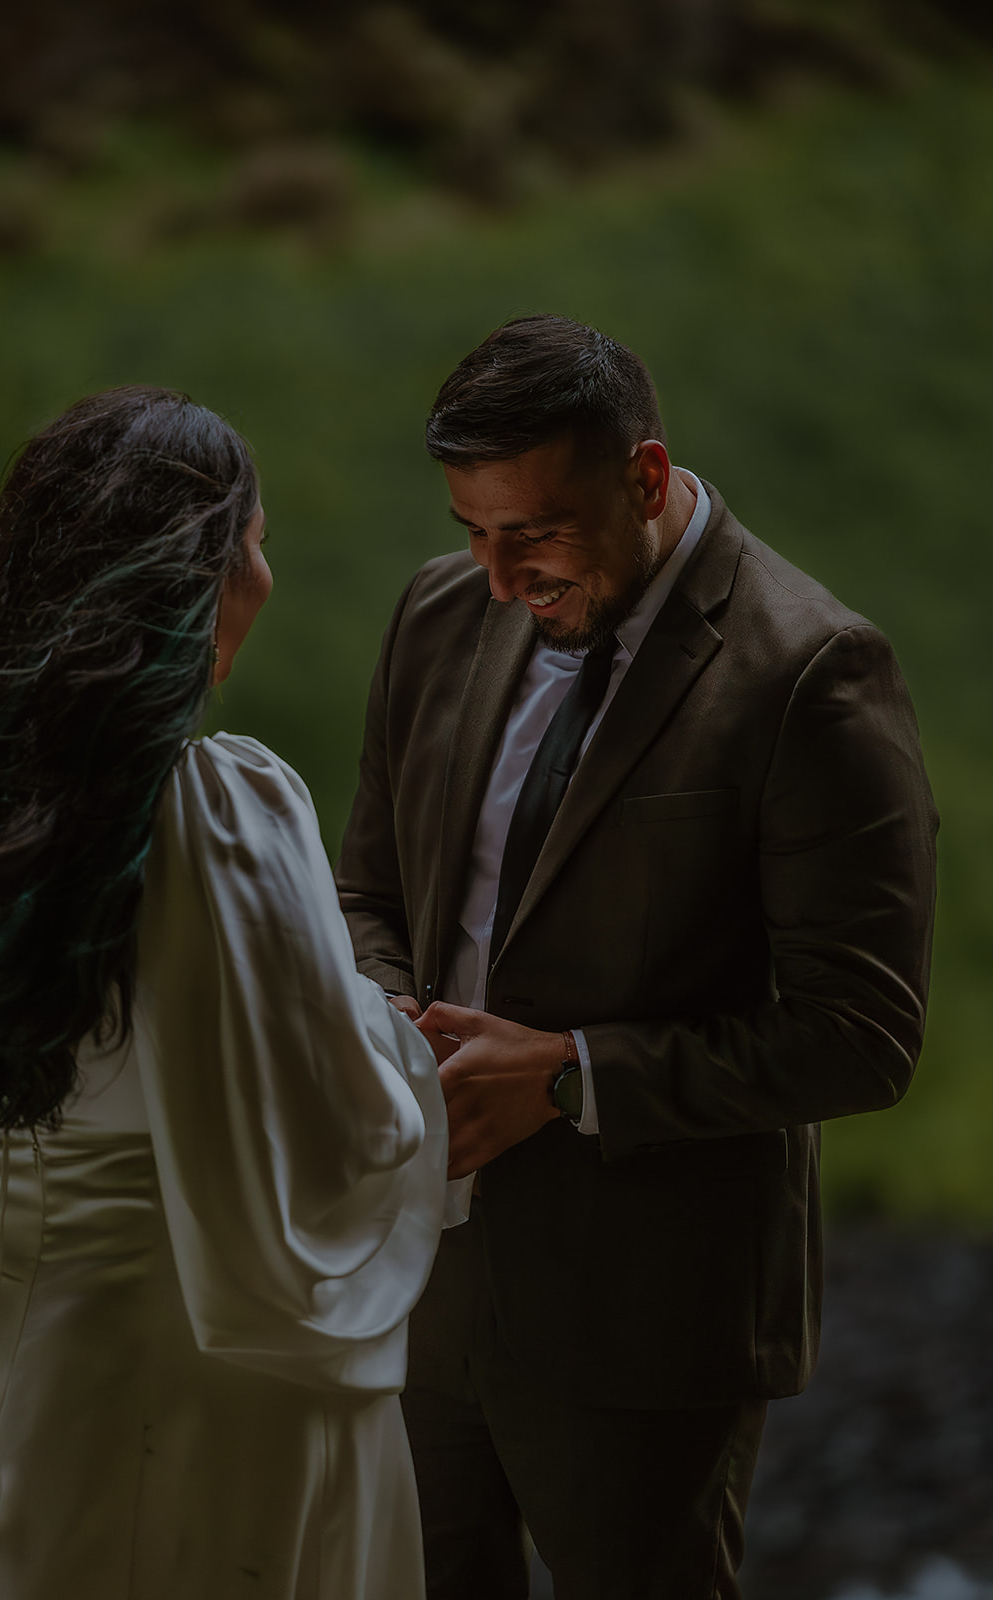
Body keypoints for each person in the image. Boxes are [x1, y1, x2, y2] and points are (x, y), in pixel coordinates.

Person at [336, 314, 938, 1599]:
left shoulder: (813, 672)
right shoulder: (439, 613)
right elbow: (369, 888)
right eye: (472, 532)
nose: (498, 577)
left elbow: (860, 1032)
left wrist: (568, 1074)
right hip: (417, 1275)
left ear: (646, 478)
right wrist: (385, 1008)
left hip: (647, 1313)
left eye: (533, 534)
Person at [0, 386, 447, 1600]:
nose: (263, 580)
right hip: (213, 1362)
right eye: (255, 547)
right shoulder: (214, 807)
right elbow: (329, 1121)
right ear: (198, 576)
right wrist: (410, 1052)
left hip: (34, 1344)